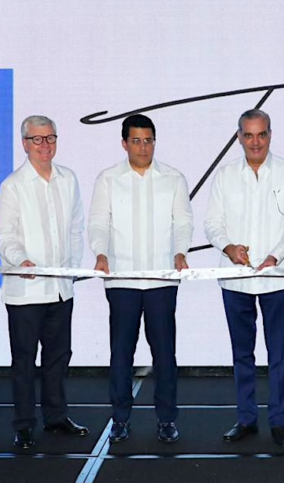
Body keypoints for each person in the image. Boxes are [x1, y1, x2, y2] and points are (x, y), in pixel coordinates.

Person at [204, 109, 284, 447]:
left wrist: (275, 256)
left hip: (277, 278)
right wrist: (228, 247)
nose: (255, 142)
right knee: (242, 354)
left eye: (261, 134)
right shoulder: (225, 176)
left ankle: (279, 421)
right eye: (248, 135)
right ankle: (246, 418)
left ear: (270, 135)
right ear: (239, 137)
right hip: (235, 279)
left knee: (278, 354)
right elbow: (212, 224)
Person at [88, 114, 194, 444]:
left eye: (148, 140)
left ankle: (167, 419)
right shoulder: (108, 179)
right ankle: (120, 419)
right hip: (122, 280)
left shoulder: (173, 178)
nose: (143, 147)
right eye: (136, 141)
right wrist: (100, 253)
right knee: (121, 353)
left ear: (154, 142)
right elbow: (98, 223)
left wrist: (180, 252)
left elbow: (183, 222)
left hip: (162, 279)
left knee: (165, 354)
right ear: (124, 144)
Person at [0, 115, 89, 450]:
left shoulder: (68, 179)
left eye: (50, 138)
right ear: (25, 143)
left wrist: (71, 269)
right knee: (24, 361)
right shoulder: (13, 186)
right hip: (26, 291)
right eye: (37, 139)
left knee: (58, 357)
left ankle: (56, 417)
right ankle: (23, 425)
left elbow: (76, 228)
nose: (44, 145)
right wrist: (20, 260)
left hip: (60, 289)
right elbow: (5, 236)